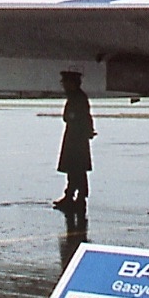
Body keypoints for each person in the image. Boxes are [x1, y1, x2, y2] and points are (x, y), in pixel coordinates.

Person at [55, 71, 94, 211]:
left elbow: (77, 116)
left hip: (76, 138)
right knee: (76, 169)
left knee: (76, 169)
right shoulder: (77, 97)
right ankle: (73, 196)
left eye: (65, 82)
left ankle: (76, 197)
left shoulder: (77, 98)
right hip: (76, 137)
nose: (63, 85)